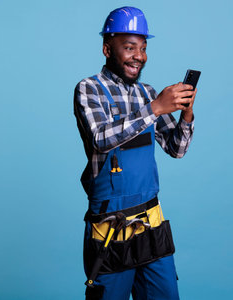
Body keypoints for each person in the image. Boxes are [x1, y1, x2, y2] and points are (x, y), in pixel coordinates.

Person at [74, 6, 197, 300]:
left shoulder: (148, 92)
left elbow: (176, 149)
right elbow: (101, 138)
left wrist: (186, 113)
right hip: (110, 233)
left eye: (142, 48)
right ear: (107, 48)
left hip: (151, 226)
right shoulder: (89, 89)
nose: (138, 56)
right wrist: (155, 108)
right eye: (129, 47)